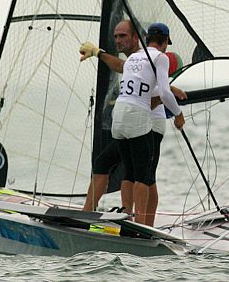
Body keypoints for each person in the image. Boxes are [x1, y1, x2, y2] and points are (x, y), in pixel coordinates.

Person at [80, 20, 187, 217]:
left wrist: (170, 95)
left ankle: (142, 222)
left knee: (143, 174)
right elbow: (127, 70)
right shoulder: (137, 60)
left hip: (148, 122)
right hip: (136, 118)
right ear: (164, 42)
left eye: (122, 36)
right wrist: (97, 52)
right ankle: (128, 217)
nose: (118, 41)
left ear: (139, 38)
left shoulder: (148, 58)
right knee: (133, 172)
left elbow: (157, 91)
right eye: (116, 37)